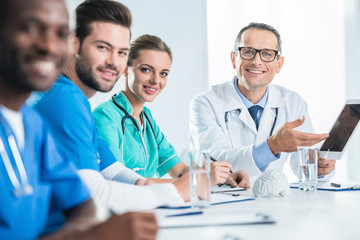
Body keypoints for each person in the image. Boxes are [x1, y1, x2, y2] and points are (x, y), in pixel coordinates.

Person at [0, 0, 157, 239]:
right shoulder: (64, 100)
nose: (50, 46)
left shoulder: (31, 123)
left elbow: (85, 202)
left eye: (60, 34)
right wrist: (93, 236)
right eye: (30, 28)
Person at [34, 0, 190, 221]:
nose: (113, 62)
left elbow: (113, 172)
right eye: (103, 47)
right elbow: (95, 193)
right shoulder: (64, 100)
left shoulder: (77, 102)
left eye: (121, 52)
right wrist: (174, 192)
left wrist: (145, 185)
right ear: (73, 44)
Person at [92, 34, 250, 187]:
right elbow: (118, 180)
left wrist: (224, 177)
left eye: (163, 73)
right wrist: (199, 181)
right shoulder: (105, 116)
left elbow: (179, 169)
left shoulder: (146, 119)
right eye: (146, 70)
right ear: (125, 68)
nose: (156, 80)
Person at [189, 22, 336, 179]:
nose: (256, 61)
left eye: (267, 54)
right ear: (233, 59)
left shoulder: (293, 102)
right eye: (248, 52)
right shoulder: (205, 103)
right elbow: (215, 163)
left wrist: (319, 167)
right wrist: (273, 146)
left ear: (279, 64)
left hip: (272, 200)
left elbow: (302, 162)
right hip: (224, 200)